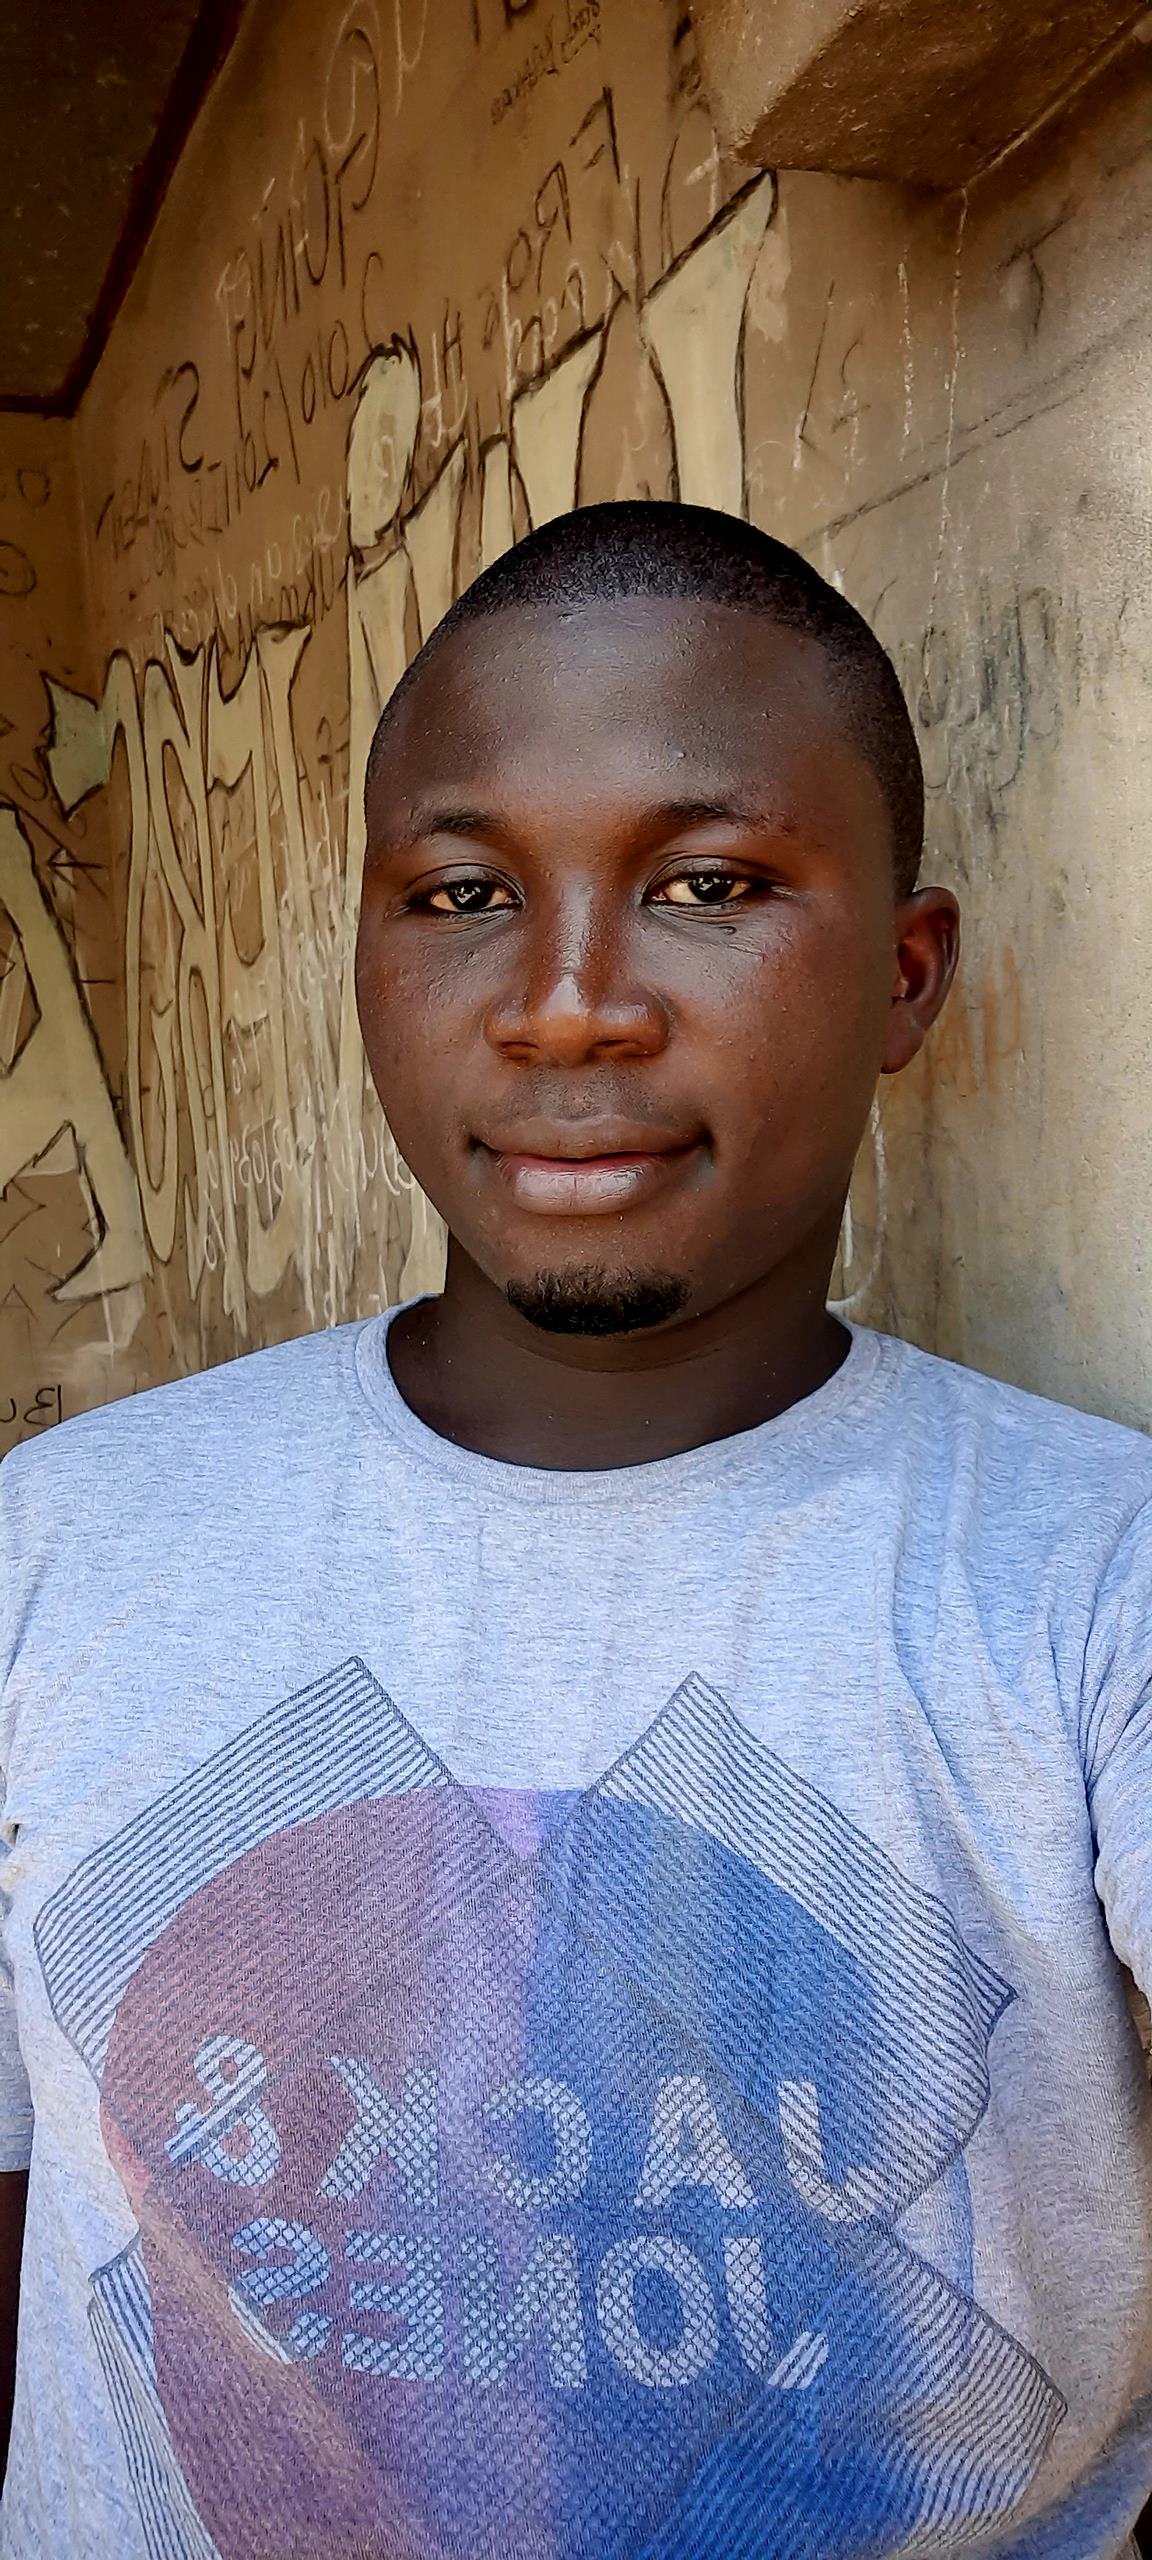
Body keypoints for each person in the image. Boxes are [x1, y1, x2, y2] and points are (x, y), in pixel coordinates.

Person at [0, 500, 1150, 2560]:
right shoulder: (59, 1545)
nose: (564, 1005)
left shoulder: (1090, 1585)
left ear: (906, 977)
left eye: (708, 885)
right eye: (463, 893)